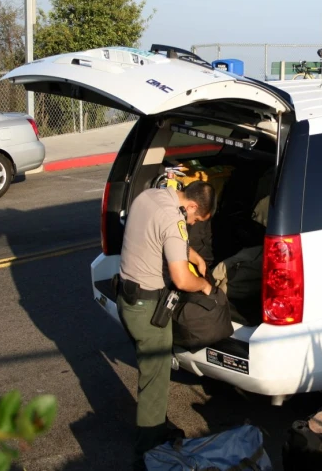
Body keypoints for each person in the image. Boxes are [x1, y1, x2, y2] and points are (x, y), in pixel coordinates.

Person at [116, 180, 216, 469]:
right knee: (154, 382)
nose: (192, 222)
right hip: (147, 310)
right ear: (192, 205)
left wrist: (191, 253)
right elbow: (183, 280)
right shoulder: (174, 219)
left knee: (150, 374)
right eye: (195, 219)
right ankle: (149, 453)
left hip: (126, 296)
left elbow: (159, 236)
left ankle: (156, 428)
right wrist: (205, 287)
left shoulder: (150, 196)